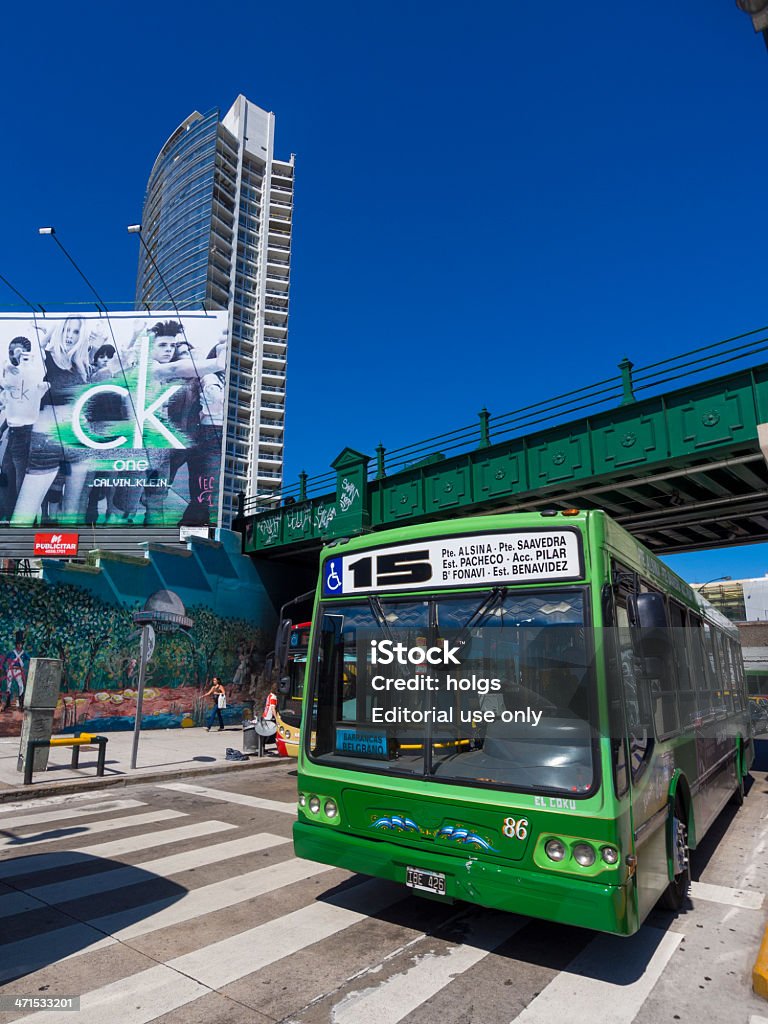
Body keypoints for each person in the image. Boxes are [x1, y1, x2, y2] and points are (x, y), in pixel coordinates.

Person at [10, 318, 91, 525]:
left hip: (77, 441)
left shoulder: (79, 364)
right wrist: (47, 333)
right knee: (24, 515)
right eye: (66, 329)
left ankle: (64, 557)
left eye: (75, 332)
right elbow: (21, 371)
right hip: (46, 440)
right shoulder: (43, 358)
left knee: (70, 511)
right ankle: (16, 556)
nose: (70, 336)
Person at [0, 337, 48, 520]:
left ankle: (27, 523)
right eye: (11, 351)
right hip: (13, 434)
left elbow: (32, 407)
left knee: (24, 483)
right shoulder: (12, 375)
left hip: (27, 435)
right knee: (7, 477)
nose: (14, 355)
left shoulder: (34, 376)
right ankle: (11, 519)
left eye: (18, 352)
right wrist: (3, 428)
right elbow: (14, 406)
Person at [4, 631, 29, 711]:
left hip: (18, 671)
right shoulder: (11, 653)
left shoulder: (24, 653)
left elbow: (30, 659)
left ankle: (21, 704)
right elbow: (4, 660)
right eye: (18, 644)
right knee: (8, 686)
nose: (19, 645)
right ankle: (8, 703)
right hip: (11, 670)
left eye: (21, 644)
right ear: (16, 644)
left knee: (21, 686)